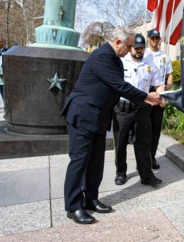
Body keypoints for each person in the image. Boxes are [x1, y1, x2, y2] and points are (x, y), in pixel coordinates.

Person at [61, 26, 161, 225]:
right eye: (129, 46)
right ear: (118, 43)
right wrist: (146, 96)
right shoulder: (102, 56)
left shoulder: (114, 58)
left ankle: (90, 198)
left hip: (98, 116)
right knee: (79, 161)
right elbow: (119, 85)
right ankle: (73, 206)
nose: (131, 50)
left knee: (95, 161)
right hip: (83, 114)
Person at [113, 34, 163, 187]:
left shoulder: (149, 65)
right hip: (122, 110)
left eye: (141, 48)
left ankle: (146, 175)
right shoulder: (120, 62)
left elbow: (159, 83)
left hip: (142, 110)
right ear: (131, 48)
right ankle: (120, 172)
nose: (138, 51)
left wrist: (160, 97)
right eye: (136, 48)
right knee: (120, 143)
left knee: (143, 144)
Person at [145, 29, 174, 170]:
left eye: (157, 38)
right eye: (152, 38)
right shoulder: (143, 53)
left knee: (156, 128)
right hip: (145, 92)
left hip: (159, 91)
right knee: (145, 128)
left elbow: (170, 74)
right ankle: (143, 158)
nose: (155, 40)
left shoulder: (164, 56)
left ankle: (152, 157)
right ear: (148, 39)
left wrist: (168, 86)